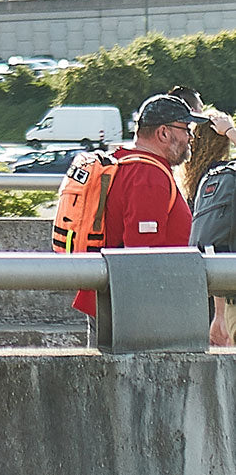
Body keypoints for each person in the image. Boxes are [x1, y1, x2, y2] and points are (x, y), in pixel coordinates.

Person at [72, 92, 211, 323]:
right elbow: (143, 256)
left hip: (111, 299)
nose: (190, 138)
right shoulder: (148, 177)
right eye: (186, 129)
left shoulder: (122, 160)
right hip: (134, 310)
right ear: (163, 132)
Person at [188, 107, 236, 346]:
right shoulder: (225, 179)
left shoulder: (198, 179)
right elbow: (218, 243)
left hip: (208, 286)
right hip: (228, 297)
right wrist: (230, 130)